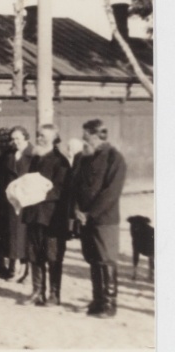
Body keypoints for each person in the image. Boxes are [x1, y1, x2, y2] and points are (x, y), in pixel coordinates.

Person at [74, 119, 127, 318]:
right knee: (93, 259)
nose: (83, 138)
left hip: (105, 219)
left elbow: (111, 192)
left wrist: (91, 213)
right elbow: (75, 185)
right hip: (84, 218)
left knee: (106, 259)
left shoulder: (115, 158)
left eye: (86, 135)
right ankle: (97, 301)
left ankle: (109, 304)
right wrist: (77, 210)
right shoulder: (82, 157)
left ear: (96, 135)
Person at [21, 124, 70, 306]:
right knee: (34, 254)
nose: (39, 139)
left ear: (54, 139)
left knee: (53, 256)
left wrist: (37, 194)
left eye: (43, 136)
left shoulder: (61, 161)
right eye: (38, 135)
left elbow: (60, 190)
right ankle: (37, 292)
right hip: (34, 214)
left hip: (52, 218)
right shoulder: (36, 158)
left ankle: (54, 295)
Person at [0, 126, 34, 280]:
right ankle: (13, 268)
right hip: (11, 200)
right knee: (12, 235)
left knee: (26, 236)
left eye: (18, 138)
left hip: (27, 201)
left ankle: (26, 271)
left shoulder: (33, 154)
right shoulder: (9, 155)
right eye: (13, 139)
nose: (15, 141)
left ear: (25, 137)